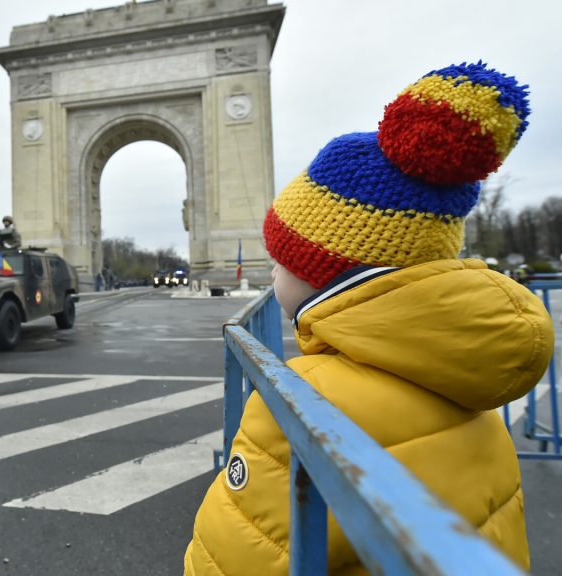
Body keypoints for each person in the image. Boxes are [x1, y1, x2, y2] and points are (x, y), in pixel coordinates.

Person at [185, 62, 553, 574]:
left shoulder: (301, 398)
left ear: (324, 272)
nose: (272, 274)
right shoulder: (474, 385)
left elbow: (232, 557)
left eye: (281, 261)